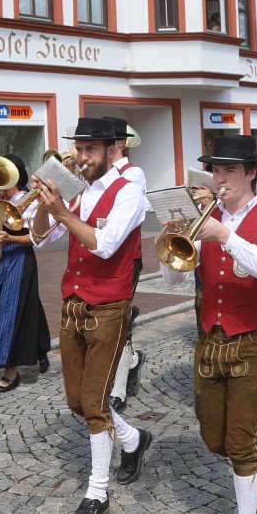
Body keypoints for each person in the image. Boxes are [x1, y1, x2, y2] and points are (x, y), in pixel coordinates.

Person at [158, 136, 257, 514]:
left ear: (251, 173)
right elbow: (175, 282)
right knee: (214, 439)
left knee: (240, 441)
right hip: (210, 339)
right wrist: (172, 243)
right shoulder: (206, 218)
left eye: (229, 171)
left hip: (253, 340)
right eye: (216, 171)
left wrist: (226, 236)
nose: (220, 179)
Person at [31, 117, 150, 514]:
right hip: (74, 301)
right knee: (77, 401)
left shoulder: (130, 186)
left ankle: (97, 492)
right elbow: (41, 239)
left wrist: (62, 210)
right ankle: (133, 440)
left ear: (114, 148)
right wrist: (43, 205)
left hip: (109, 305)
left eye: (90, 150)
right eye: (79, 149)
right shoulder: (82, 187)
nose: (81, 158)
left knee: (95, 404)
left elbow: (105, 245)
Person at [0, 154, 50, 393]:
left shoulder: (28, 200)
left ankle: (11, 370)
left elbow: (37, 238)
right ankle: (40, 350)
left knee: (10, 311)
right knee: (27, 306)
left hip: (19, 258)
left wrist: (11, 238)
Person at [104, 117, 149, 414]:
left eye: (99, 145)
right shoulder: (96, 175)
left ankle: (118, 388)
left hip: (126, 257)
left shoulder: (132, 173)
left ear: (119, 144)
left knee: (118, 323)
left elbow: (117, 216)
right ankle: (132, 360)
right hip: (97, 258)